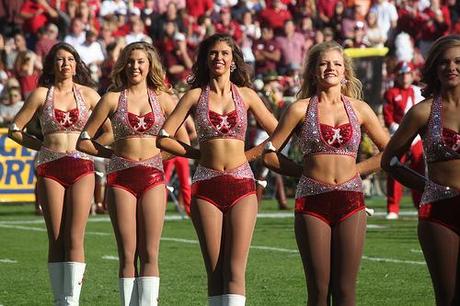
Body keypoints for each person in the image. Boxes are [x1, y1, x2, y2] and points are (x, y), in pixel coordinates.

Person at [263, 41, 389, 305]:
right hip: (312, 202)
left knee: (345, 291)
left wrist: (357, 169)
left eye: (337, 64)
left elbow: (390, 153)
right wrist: (302, 172)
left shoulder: (360, 109)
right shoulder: (299, 108)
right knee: (319, 291)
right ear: (313, 71)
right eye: (323, 63)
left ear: (345, 72)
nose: (330, 68)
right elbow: (270, 153)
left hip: (351, 201)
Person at [157, 33, 277, 306]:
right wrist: (197, 153)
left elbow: (280, 132)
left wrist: (251, 154)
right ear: (205, 60)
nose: (219, 58)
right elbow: (163, 137)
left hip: (242, 183)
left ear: (234, 60)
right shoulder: (194, 96)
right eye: (213, 53)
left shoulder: (247, 95)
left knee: (235, 270)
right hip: (206, 183)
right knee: (215, 270)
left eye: (224, 53)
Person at [76, 41, 188, 306]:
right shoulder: (112, 98)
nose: (135, 66)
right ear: (123, 65)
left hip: (152, 178)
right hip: (120, 179)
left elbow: (182, 141)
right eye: (130, 61)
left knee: (150, 252)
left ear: (150, 65)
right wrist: (113, 156)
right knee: (127, 254)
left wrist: (156, 159)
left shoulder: (163, 98)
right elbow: (84, 140)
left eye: (140, 61)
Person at [8, 42, 103, 305]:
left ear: (76, 64)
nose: (65, 64)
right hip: (50, 167)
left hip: (82, 166)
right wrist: (40, 145)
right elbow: (15, 130)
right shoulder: (41, 94)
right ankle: (60, 300)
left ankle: (72, 300)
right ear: (52, 65)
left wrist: (92, 146)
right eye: (60, 59)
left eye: (70, 59)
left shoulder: (89, 94)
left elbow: (110, 128)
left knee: (75, 236)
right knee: (56, 235)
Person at [382, 35, 460, 306]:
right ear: (434, 69)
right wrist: (425, 185)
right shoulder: (421, 112)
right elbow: (389, 161)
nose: (451, 67)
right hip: (438, 211)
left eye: (458, 61)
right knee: (447, 297)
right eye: (444, 62)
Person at [383, 60, 425, 219]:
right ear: (397, 76)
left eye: (408, 74)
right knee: (394, 169)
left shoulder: (418, 91)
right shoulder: (391, 93)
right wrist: (401, 133)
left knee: (419, 171)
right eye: (402, 74)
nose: (405, 77)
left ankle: (421, 205)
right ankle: (393, 208)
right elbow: (388, 118)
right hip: (398, 136)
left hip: (417, 139)